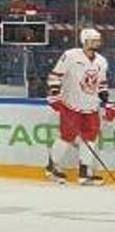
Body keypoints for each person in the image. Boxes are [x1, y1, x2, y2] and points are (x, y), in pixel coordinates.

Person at [44, 27, 111, 184]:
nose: (97, 43)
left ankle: (85, 172)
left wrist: (106, 102)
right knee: (66, 136)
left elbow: (101, 84)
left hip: (91, 106)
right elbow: (55, 76)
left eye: (98, 40)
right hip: (71, 104)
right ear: (84, 41)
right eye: (94, 40)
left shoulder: (101, 61)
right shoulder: (70, 56)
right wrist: (54, 94)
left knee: (90, 138)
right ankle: (52, 168)